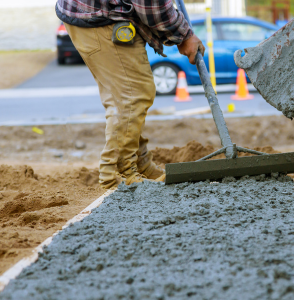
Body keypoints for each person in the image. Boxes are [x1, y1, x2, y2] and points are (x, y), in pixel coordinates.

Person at [56, 0, 205, 189]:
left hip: (90, 12)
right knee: (132, 96)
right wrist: (183, 35)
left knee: (123, 96)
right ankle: (119, 175)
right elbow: (151, 4)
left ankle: (139, 164)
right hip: (100, 18)